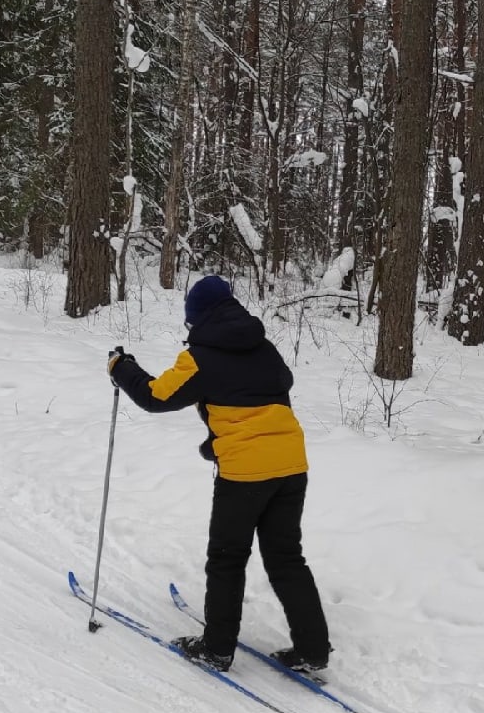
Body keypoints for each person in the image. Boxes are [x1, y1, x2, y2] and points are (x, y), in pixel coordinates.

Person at [107, 275, 331, 678]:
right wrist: (220, 436)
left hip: (245, 475)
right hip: (292, 466)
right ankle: (313, 650)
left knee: (227, 558)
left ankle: (216, 650)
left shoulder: (200, 357)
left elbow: (155, 396)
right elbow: (275, 388)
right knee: (286, 558)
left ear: (198, 319)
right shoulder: (263, 347)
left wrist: (122, 368)